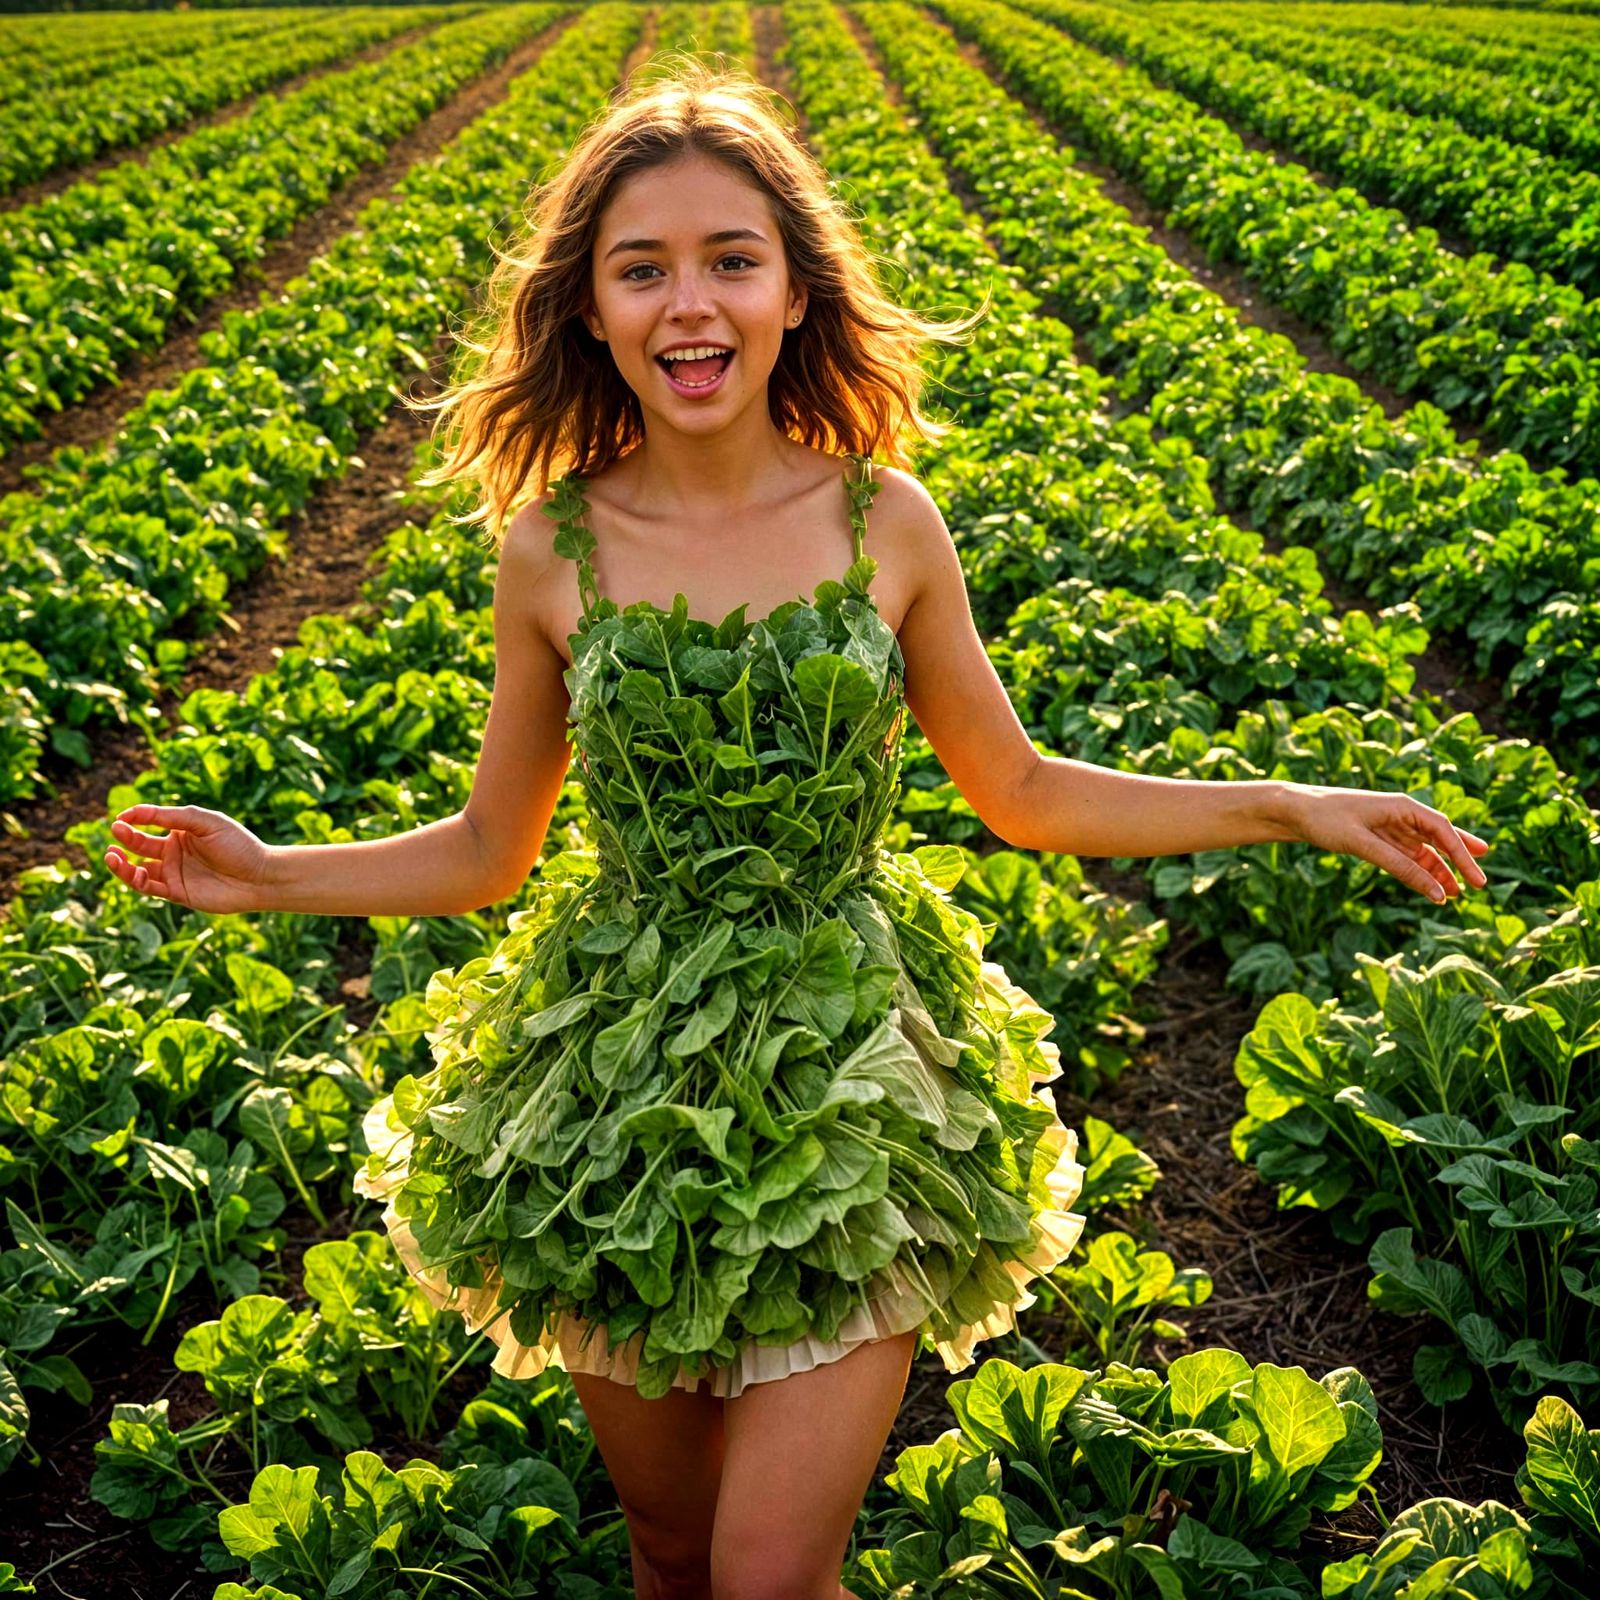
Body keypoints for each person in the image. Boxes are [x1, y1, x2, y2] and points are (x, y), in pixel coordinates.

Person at [102, 58, 1490, 1600]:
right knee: (672, 1550)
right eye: (643, 269)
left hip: (852, 1067)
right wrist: (274, 875)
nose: (687, 304)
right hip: (612, 1089)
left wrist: (1285, 803)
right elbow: (496, 848)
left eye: (729, 261)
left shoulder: (882, 520)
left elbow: (1019, 793)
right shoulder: (550, 549)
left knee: (769, 1575)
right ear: (590, 310)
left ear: (793, 295)